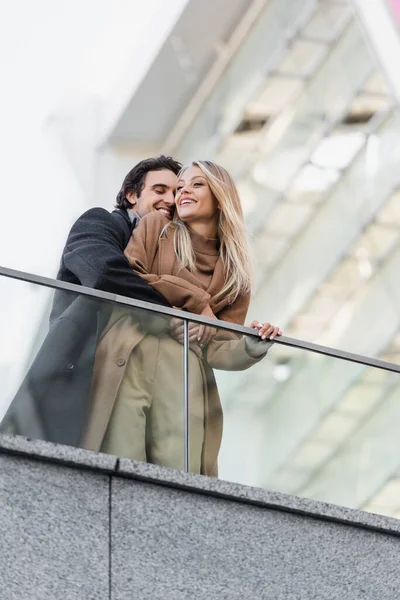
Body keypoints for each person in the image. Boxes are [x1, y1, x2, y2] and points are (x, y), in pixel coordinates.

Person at [82, 160, 281, 476]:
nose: (183, 191)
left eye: (196, 184)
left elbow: (218, 345)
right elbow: (130, 277)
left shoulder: (237, 274)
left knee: (177, 475)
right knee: (120, 467)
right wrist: (194, 301)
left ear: (220, 196)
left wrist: (254, 343)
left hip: (185, 380)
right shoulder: (154, 229)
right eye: (180, 186)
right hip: (130, 358)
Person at [1, 156, 182, 445]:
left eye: (176, 193)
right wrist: (167, 311)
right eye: (160, 190)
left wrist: (255, 334)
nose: (170, 200)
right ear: (131, 195)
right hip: (79, 379)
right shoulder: (101, 221)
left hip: (136, 392)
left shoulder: (172, 253)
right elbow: (102, 272)